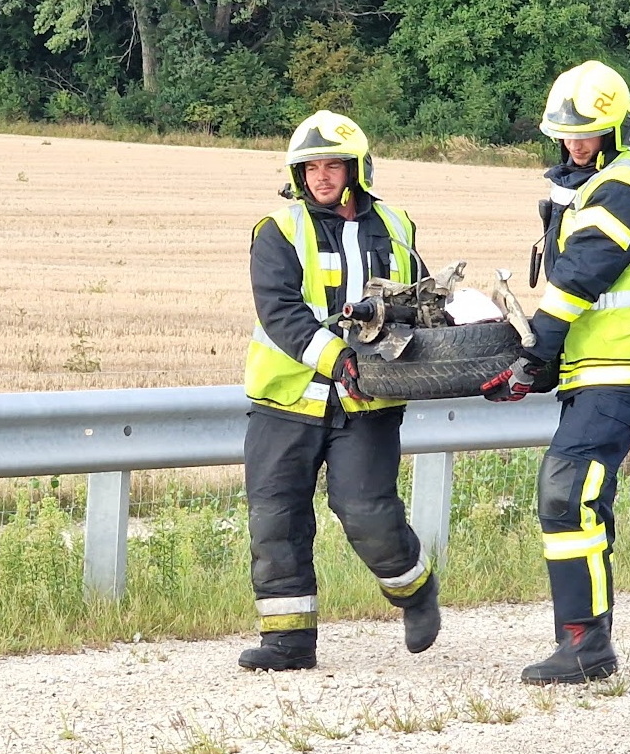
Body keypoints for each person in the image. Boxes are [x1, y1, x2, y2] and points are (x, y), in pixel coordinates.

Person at [479, 61, 630, 684]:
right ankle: (589, 641)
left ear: (617, 129)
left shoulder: (621, 185)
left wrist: (537, 353)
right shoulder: (591, 181)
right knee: (583, 499)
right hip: (601, 365)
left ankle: (586, 649)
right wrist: (547, 359)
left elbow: (580, 276)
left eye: (586, 133)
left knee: (568, 495)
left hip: (624, 364)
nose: (573, 144)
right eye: (565, 134)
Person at [239, 109, 441, 671]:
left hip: (369, 399)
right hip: (286, 400)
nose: (322, 177)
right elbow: (282, 314)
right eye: (311, 167)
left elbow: (420, 303)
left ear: (357, 169)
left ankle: (415, 591)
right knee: (276, 520)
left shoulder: (398, 225)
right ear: (296, 173)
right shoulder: (277, 230)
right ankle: (287, 643)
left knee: (366, 513)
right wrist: (339, 359)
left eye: (333, 166)